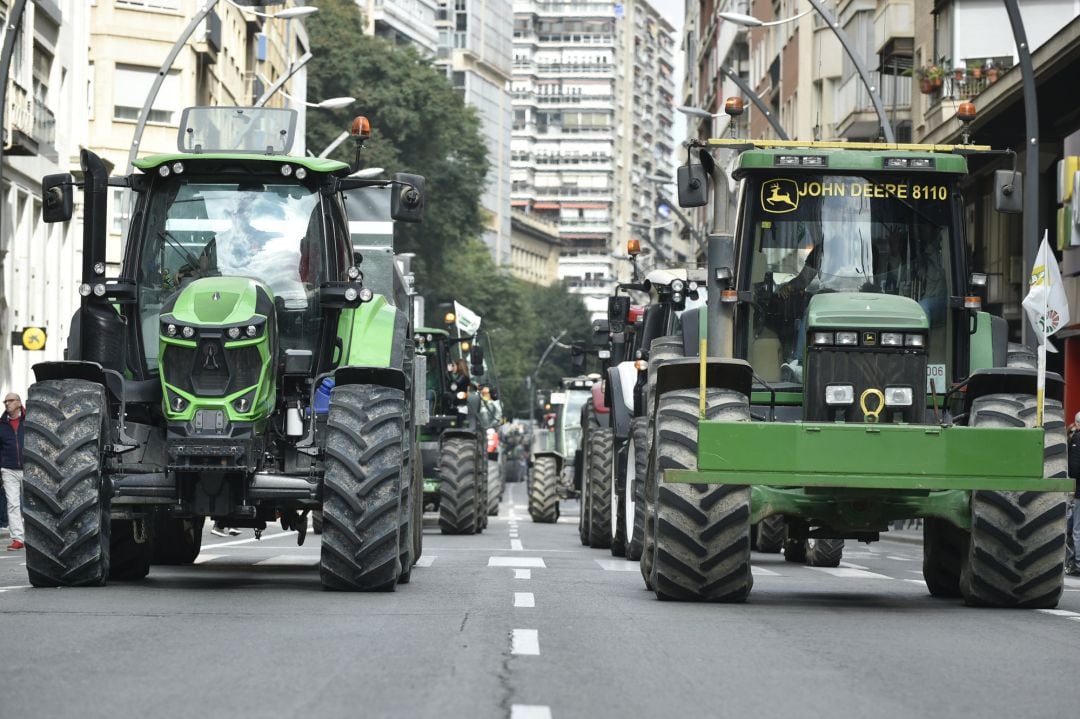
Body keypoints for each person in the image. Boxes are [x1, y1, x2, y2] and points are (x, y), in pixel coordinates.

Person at [0, 392, 26, 551]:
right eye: (5, 401)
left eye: (10, 401)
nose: (6, 404)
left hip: (30, 469)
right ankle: (18, 538)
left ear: (18, 403)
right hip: (8, 469)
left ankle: (38, 538)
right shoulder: (1, 424)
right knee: (13, 504)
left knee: (34, 505)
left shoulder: (29, 421)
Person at [1066, 412, 1080, 576]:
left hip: (1079, 492)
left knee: (1077, 529)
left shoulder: (1077, 439)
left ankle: (1077, 564)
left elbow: (1074, 467)